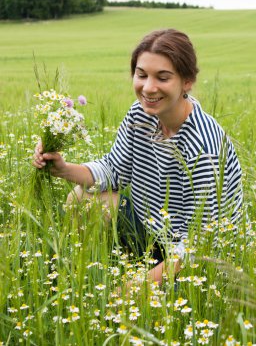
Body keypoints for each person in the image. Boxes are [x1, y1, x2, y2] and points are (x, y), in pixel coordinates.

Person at [33, 28, 243, 284]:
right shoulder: (140, 115)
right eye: (141, 75)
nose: (148, 87)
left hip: (198, 259)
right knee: (80, 198)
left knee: (153, 302)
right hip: (153, 233)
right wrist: (63, 168)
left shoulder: (204, 146)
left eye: (163, 78)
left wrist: (138, 287)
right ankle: (87, 274)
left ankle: (145, 280)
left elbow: (201, 243)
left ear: (187, 81)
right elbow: (114, 170)